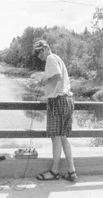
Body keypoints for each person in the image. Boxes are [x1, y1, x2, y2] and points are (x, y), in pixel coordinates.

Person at [32, 40, 77, 182]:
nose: (38, 54)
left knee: (56, 137)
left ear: (46, 48)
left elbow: (57, 77)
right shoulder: (57, 58)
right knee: (63, 137)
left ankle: (54, 172)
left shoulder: (51, 58)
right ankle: (72, 172)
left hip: (58, 101)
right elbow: (58, 77)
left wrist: (43, 82)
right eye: (36, 52)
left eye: (40, 50)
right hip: (67, 100)